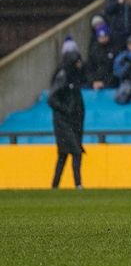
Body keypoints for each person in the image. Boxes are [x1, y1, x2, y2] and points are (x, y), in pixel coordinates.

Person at [49, 47, 86, 189]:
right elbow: (52, 99)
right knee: (75, 151)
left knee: (63, 154)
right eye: (77, 62)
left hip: (72, 121)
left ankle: (55, 185)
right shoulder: (63, 76)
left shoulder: (73, 77)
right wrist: (66, 110)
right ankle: (78, 183)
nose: (79, 65)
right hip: (63, 122)